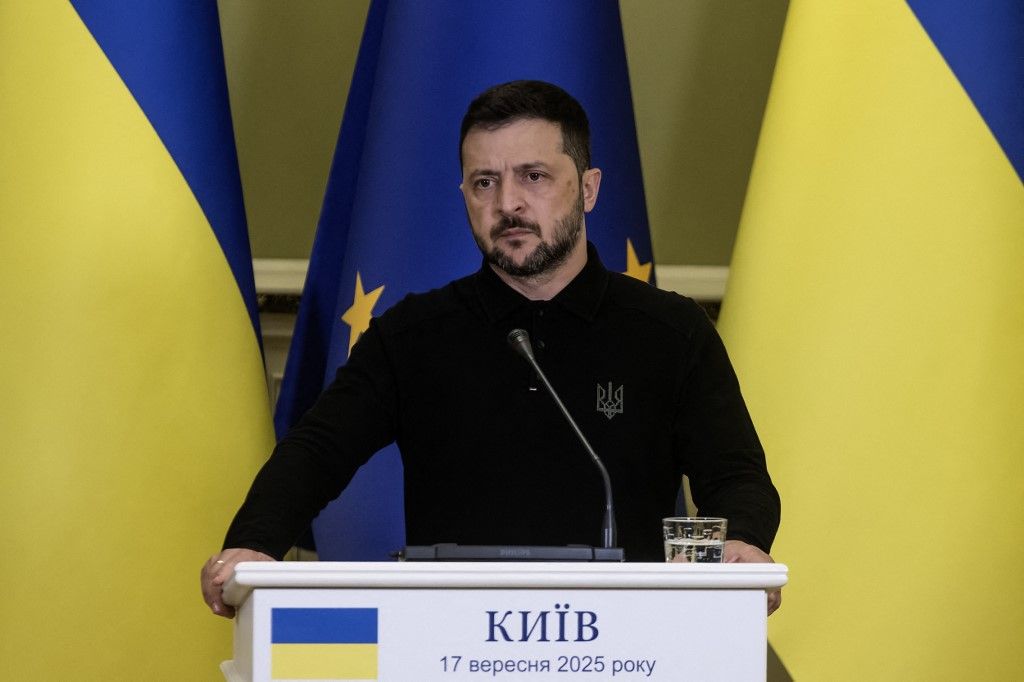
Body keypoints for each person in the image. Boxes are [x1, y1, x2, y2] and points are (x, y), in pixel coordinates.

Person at [201, 80, 781, 617]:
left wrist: (745, 542)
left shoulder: (670, 331)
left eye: (533, 176)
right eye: (485, 182)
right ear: (464, 195)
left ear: (588, 188)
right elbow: (317, 451)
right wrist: (255, 543)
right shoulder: (413, 335)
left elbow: (735, 476)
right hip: (450, 643)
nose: (508, 203)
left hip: (628, 645)